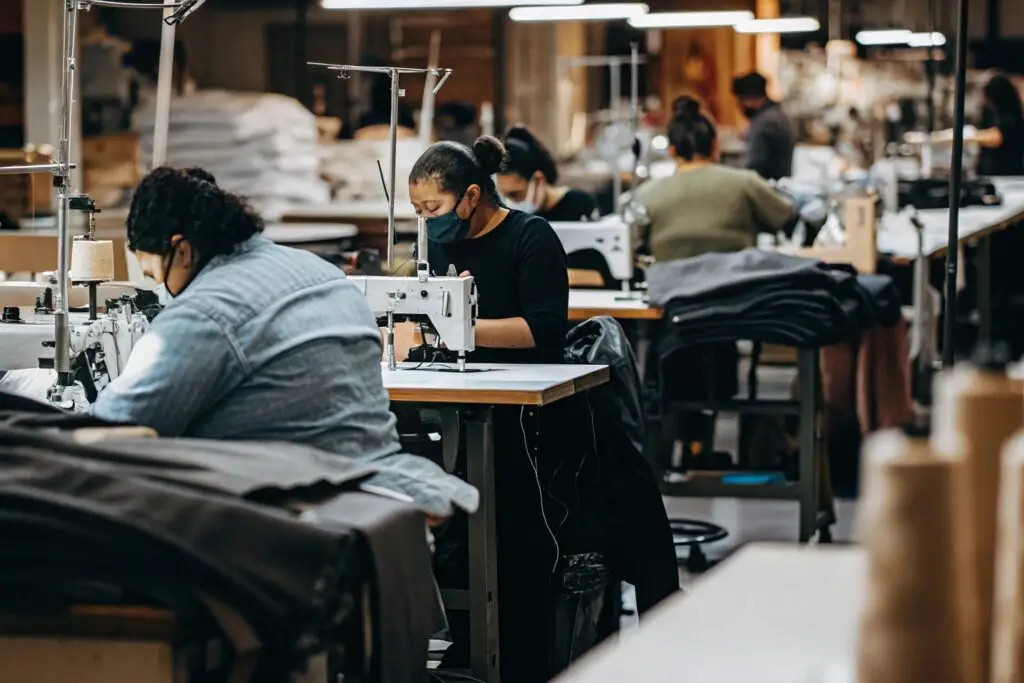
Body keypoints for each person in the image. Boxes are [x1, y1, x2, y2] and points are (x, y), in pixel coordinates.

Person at [91, 166, 476, 519]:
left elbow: (118, 422)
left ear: (182, 250)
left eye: (155, 273)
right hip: (390, 480)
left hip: (298, 507)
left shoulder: (205, 310)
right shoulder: (320, 270)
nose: (162, 290)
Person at [408, 135, 569, 364]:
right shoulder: (433, 243)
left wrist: (461, 327)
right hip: (452, 378)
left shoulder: (530, 236)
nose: (426, 219)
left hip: (523, 380)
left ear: (472, 196)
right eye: (418, 210)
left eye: (433, 208)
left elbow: (545, 330)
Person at [635, 97, 797, 262]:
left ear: (671, 151)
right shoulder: (745, 183)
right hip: (736, 284)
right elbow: (788, 220)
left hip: (673, 286)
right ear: (715, 147)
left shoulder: (647, 195)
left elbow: (633, 245)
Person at [495, 125, 598, 222]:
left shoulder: (579, 205)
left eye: (514, 194)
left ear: (538, 180)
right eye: (502, 196)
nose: (508, 203)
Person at [732, 71, 795, 181]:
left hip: (766, 186)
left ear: (753, 99)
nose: (739, 106)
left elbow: (751, 165)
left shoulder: (764, 123)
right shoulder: (778, 114)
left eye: (741, 101)